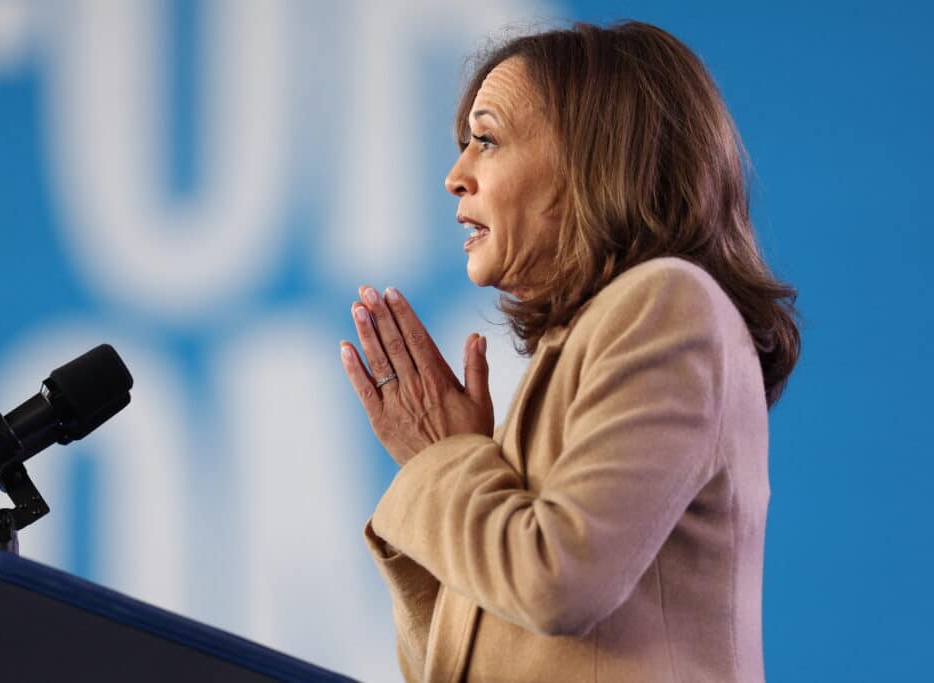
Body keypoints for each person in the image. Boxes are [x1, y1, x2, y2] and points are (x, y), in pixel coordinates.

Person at [339, 20, 799, 683]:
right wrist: (437, 460)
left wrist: (444, 460)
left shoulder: (670, 304)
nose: (454, 176)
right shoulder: (587, 341)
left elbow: (557, 581)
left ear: (593, 158)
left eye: (486, 140)